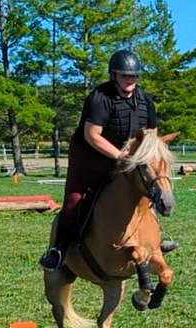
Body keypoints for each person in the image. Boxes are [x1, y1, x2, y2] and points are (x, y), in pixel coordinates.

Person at [39, 49, 177, 271]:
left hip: (127, 158)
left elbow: (152, 135)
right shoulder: (100, 97)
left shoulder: (145, 100)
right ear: (114, 75)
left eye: (133, 76)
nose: (130, 80)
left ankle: (155, 240)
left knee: (147, 189)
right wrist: (120, 156)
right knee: (74, 202)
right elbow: (92, 135)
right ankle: (58, 250)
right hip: (90, 157)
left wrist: (144, 155)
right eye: (125, 76)